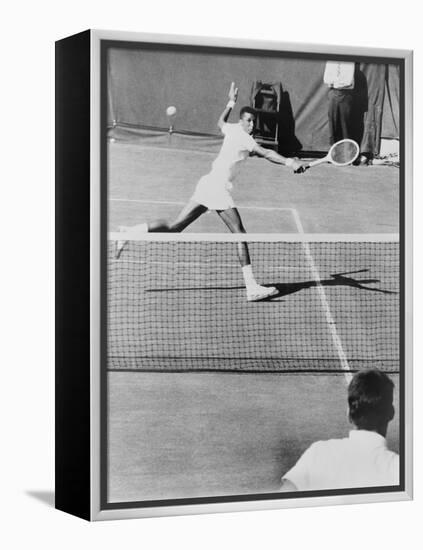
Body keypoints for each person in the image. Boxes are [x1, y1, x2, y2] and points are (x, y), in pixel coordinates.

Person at [118, 82, 305, 302]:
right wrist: (288, 162)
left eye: (254, 122)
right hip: (216, 187)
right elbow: (265, 153)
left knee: (175, 227)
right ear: (241, 121)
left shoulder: (232, 129)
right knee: (240, 233)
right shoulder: (244, 137)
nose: (252, 125)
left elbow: (220, 123)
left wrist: (231, 102)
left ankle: (130, 232)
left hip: (207, 184)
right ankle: (251, 286)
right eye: (249, 121)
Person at [280, 369, 399, 491]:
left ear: (349, 414)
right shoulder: (399, 470)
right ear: (391, 413)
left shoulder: (318, 452)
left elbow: (283, 498)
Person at [323, 61, 355, 145]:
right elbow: (326, 79)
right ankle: (334, 152)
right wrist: (337, 80)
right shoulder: (331, 61)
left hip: (345, 95)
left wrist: (334, 80)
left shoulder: (349, 61)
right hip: (333, 94)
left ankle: (347, 153)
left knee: (345, 127)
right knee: (333, 125)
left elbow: (347, 81)